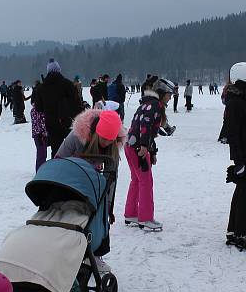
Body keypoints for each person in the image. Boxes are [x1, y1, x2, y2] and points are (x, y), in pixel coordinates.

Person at [57, 109, 124, 264]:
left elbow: (111, 180)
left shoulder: (112, 149)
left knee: (97, 217)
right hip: (70, 181)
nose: (107, 142)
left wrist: (108, 206)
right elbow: (58, 160)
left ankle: (94, 253)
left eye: (110, 140)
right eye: (104, 138)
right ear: (96, 132)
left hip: (93, 187)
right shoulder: (76, 137)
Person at [220, 62, 246, 250]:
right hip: (244, 156)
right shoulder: (236, 103)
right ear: (243, 81)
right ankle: (240, 232)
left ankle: (234, 230)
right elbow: (233, 133)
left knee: (243, 193)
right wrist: (239, 162)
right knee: (244, 194)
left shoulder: (245, 100)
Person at [124, 76, 171, 231]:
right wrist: (144, 146)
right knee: (146, 181)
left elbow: (147, 130)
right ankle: (146, 218)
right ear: (161, 93)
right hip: (138, 148)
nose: (170, 97)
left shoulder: (146, 104)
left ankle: (131, 213)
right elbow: (145, 126)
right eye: (169, 94)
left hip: (130, 146)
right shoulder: (155, 106)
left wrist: (152, 150)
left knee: (136, 180)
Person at [39, 59, 83, 158]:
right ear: (59, 70)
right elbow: (76, 103)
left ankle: (56, 170)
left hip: (51, 123)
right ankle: (72, 168)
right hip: (68, 121)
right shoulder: (67, 84)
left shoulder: (42, 87)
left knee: (56, 150)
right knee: (73, 148)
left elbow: (38, 107)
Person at [28, 80, 49, 172]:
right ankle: (40, 171)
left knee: (42, 153)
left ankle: (41, 170)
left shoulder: (34, 109)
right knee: (42, 154)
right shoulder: (39, 110)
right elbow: (42, 123)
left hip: (38, 134)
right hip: (41, 135)